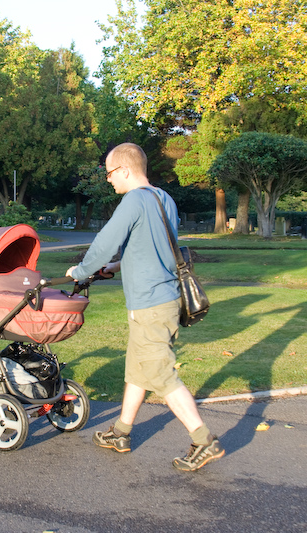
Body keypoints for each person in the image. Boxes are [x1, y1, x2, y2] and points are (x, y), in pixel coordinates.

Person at [66, 142, 224, 472]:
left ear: (124, 170)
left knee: (162, 375)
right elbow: (155, 248)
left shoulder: (133, 201)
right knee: (139, 369)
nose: (109, 180)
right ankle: (121, 433)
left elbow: (103, 244)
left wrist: (81, 271)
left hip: (151, 305)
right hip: (161, 300)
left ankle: (203, 440)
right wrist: (118, 267)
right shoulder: (162, 198)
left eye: (110, 173)